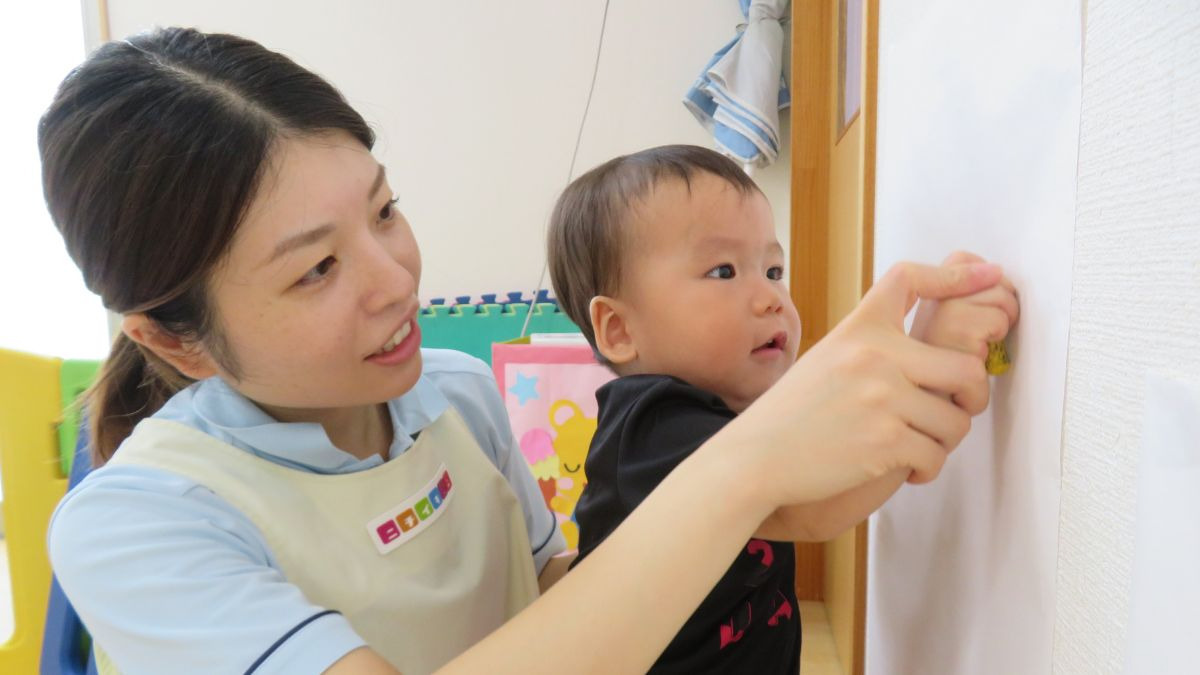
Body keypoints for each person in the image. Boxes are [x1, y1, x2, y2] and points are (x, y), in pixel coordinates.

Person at [40, 28, 1007, 675]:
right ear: (174, 338)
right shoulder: (132, 525)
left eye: (385, 210)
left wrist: (907, 398)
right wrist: (751, 462)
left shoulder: (455, 396)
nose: (395, 279)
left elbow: (564, 598)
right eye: (318, 268)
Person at [547, 145, 1018, 673]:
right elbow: (817, 503)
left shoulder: (736, 408)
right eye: (723, 272)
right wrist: (933, 360)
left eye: (773, 269)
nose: (771, 297)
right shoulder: (650, 428)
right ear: (619, 329)